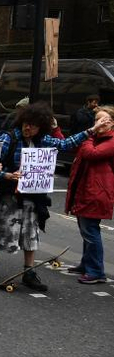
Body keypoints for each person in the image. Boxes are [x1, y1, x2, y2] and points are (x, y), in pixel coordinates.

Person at [0, 102, 112, 290]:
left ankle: (29, 272)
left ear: (41, 127)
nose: (28, 128)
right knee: (1, 231)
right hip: (9, 194)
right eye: (26, 123)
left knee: (31, 233)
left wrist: (92, 130)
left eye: (34, 125)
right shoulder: (8, 138)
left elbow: (66, 144)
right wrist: (7, 175)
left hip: (32, 196)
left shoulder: (43, 139)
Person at [64, 105, 114, 284]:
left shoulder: (110, 140)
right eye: (96, 120)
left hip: (96, 192)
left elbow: (90, 153)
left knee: (91, 231)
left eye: (102, 120)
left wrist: (90, 135)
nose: (98, 123)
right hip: (87, 190)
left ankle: (96, 271)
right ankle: (86, 264)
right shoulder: (98, 138)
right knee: (86, 230)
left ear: (111, 123)